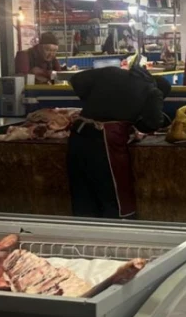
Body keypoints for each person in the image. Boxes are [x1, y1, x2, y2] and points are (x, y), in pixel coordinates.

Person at [67, 63, 170, 218]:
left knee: (83, 194)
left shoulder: (113, 72)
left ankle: (86, 230)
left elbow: (77, 80)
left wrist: (98, 102)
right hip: (105, 141)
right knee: (114, 195)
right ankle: (119, 229)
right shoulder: (153, 92)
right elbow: (152, 124)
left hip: (77, 136)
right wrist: (136, 122)